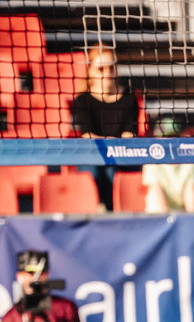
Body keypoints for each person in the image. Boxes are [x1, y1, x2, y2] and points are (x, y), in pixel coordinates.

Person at [71, 45, 141, 210]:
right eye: (101, 69)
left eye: (111, 67)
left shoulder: (129, 99)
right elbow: (87, 134)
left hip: (122, 154)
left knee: (114, 171)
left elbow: (130, 132)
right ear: (90, 72)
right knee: (94, 171)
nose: (107, 73)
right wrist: (107, 144)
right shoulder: (83, 100)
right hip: (94, 154)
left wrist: (115, 147)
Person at [142, 117, 194, 213]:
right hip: (158, 216)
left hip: (181, 214)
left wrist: (191, 220)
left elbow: (190, 193)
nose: (170, 140)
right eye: (166, 137)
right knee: (154, 197)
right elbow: (157, 193)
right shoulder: (152, 161)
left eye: (174, 136)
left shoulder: (189, 161)